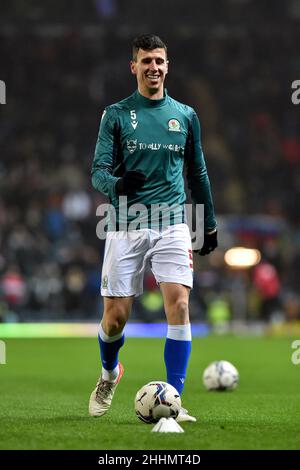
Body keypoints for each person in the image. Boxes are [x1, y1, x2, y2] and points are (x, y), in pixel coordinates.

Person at [89, 34, 217, 422]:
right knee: (115, 320)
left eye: (159, 61)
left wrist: (207, 222)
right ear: (134, 67)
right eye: (146, 61)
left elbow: (198, 172)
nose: (153, 68)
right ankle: (110, 373)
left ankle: (173, 400)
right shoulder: (115, 114)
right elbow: (97, 172)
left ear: (167, 65)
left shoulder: (186, 115)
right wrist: (117, 185)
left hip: (173, 223)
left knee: (179, 305)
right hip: (125, 223)